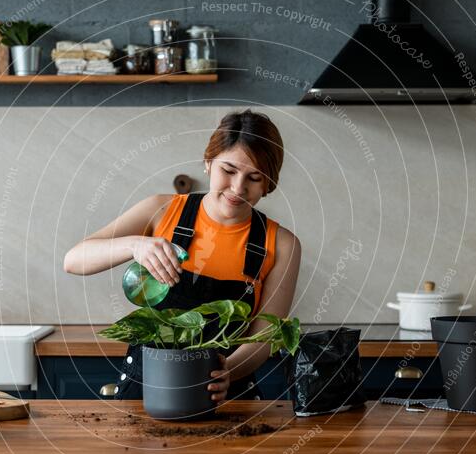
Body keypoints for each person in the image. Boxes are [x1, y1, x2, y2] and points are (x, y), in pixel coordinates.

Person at [64, 109, 301, 402]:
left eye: (254, 177)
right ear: (208, 162)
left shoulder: (282, 244)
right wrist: (134, 245)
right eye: (228, 171)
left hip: (226, 396)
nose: (238, 188)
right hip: (145, 392)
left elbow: (264, 337)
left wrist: (229, 371)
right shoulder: (162, 211)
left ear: (268, 183)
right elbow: (74, 260)